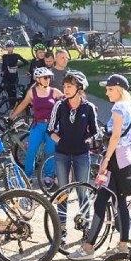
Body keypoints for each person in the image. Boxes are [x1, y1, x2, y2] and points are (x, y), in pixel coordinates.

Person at [68, 74, 131, 260]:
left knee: (101, 202)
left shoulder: (118, 108)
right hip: (127, 159)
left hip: (115, 160)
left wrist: (105, 160)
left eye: (110, 89)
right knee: (120, 203)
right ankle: (123, 245)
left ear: (119, 89)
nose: (106, 92)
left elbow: (115, 137)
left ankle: (88, 247)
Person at [47, 71, 99, 239]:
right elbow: (50, 129)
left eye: (70, 86)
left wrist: (88, 141)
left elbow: (95, 132)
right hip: (62, 154)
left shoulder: (88, 107)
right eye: (64, 86)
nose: (66, 89)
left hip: (81, 155)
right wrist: (59, 141)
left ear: (79, 88)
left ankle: (86, 226)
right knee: (63, 192)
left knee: (82, 191)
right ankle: (61, 228)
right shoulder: (59, 106)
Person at [10, 67, 63, 185]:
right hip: (37, 125)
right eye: (45, 77)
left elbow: (67, 103)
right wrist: (12, 116)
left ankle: (48, 176)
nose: (48, 79)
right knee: (31, 151)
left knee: (50, 152)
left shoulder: (55, 92)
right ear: (38, 79)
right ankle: (28, 176)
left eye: (49, 77)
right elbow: (23, 104)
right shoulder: (32, 92)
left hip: (52, 127)